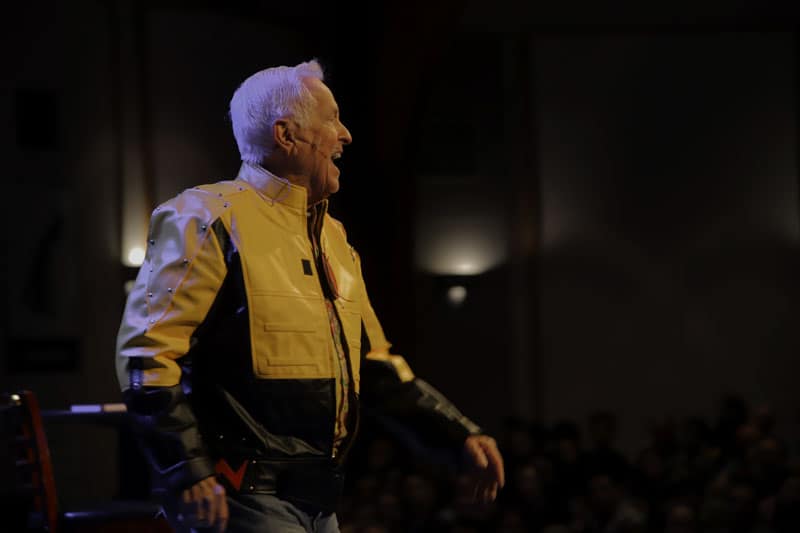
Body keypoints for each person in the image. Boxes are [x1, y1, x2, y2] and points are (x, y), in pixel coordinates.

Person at [115, 59, 504, 532]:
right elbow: (147, 358)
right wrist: (185, 471)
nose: (345, 135)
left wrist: (457, 435)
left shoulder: (334, 238)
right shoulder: (205, 217)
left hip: (319, 502)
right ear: (286, 134)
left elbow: (374, 367)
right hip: (242, 499)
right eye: (331, 120)